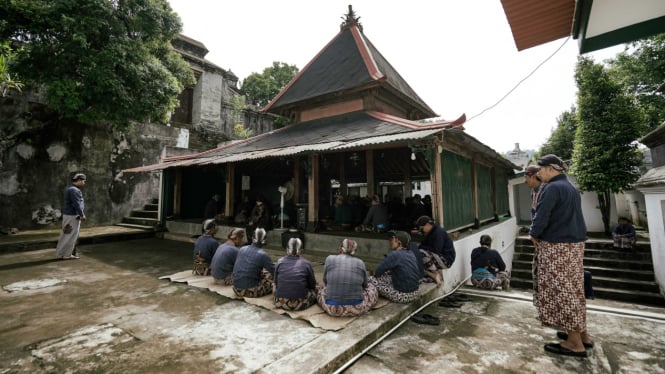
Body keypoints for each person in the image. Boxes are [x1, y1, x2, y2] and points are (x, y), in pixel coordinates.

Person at [529, 154, 592, 357]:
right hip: (574, 244)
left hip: (557, 245)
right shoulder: (571, 187)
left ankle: (574, 342)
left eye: (540, 170)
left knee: (562, 290)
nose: (538, 174)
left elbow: (542, 215)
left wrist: (534, 234)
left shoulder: (552, 188)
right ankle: (582, 334)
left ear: (549, 169)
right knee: (574, 288)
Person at [317, 238, 378, 317]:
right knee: (372, 287)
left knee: (321, 289)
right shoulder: (360, 262)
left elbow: (325, 281)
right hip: (356, 309)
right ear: (354, 251)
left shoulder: (329, 259)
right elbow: (365, 285)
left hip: (332, 308)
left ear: (341, 248)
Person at [369, 231, 420, 303]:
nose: (391, 242)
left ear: (399, 242)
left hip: (403, 296)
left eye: (393, 240)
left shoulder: (395, 254)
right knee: (387, 276)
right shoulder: (411, 253)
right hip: (415, 292)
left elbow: (377, 272)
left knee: (370, 279)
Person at [273, 238, 317, 311]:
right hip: (300, 304)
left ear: (287, 249)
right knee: (316, 292)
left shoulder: (279, 262)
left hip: (280, 302)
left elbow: (275, 282)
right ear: (302, 251)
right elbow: (312, 285)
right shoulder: (306, 264)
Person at [232, 228, 275, 298]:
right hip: (249, 292)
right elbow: (275, 272)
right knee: (270, 281)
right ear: (265, 240)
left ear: (252, 238)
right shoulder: (263, 255)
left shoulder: (242, 249)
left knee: (262, 273)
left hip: (235, 288)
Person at [415, 215, 456, 287]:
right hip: (439, 257)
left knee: (421, 252)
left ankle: (435, 273)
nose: (421, 231)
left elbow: (436, 250)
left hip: (446, 260)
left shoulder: (438, 232)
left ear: (427, 225)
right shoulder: (431, 232)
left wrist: (421, 247)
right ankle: (433, 275)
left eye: (422, 229)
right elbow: (423, 244)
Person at [55, 173, 87, 260]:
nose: (84, 183)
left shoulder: (70, 189)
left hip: (68, 215)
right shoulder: (74, 190)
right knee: (71, 235)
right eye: (84, 181)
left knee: (66, 234)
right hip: (72, 216)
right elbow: (76, 204)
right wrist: (82, 214)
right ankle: (66, 255)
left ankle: (62, 253)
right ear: (79, 180)